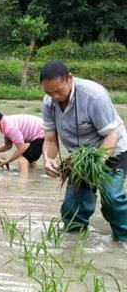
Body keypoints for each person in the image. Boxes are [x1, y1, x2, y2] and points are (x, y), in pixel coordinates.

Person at [40, 60, 127, 242]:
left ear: (70, 78)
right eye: (49, 92)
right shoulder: (48, 102)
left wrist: (95, 164)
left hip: (112, 151)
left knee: (112, 200)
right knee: (73, 205)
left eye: (58, 91)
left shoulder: (94, 96)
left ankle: (123, 241)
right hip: (81, 156)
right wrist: (48, 159)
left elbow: (111, 135)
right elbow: (50, 138)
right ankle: (74, 244)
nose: (54, 96)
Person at [0, 107, 45, 175]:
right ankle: (33, 176)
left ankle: (23, 183)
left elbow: (21, 148)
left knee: (23, 161)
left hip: (44, 135)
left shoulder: (9, 127)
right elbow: (8, 146)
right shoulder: (5, 124)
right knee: (28, 157)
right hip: (42, 133)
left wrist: (7, 161)